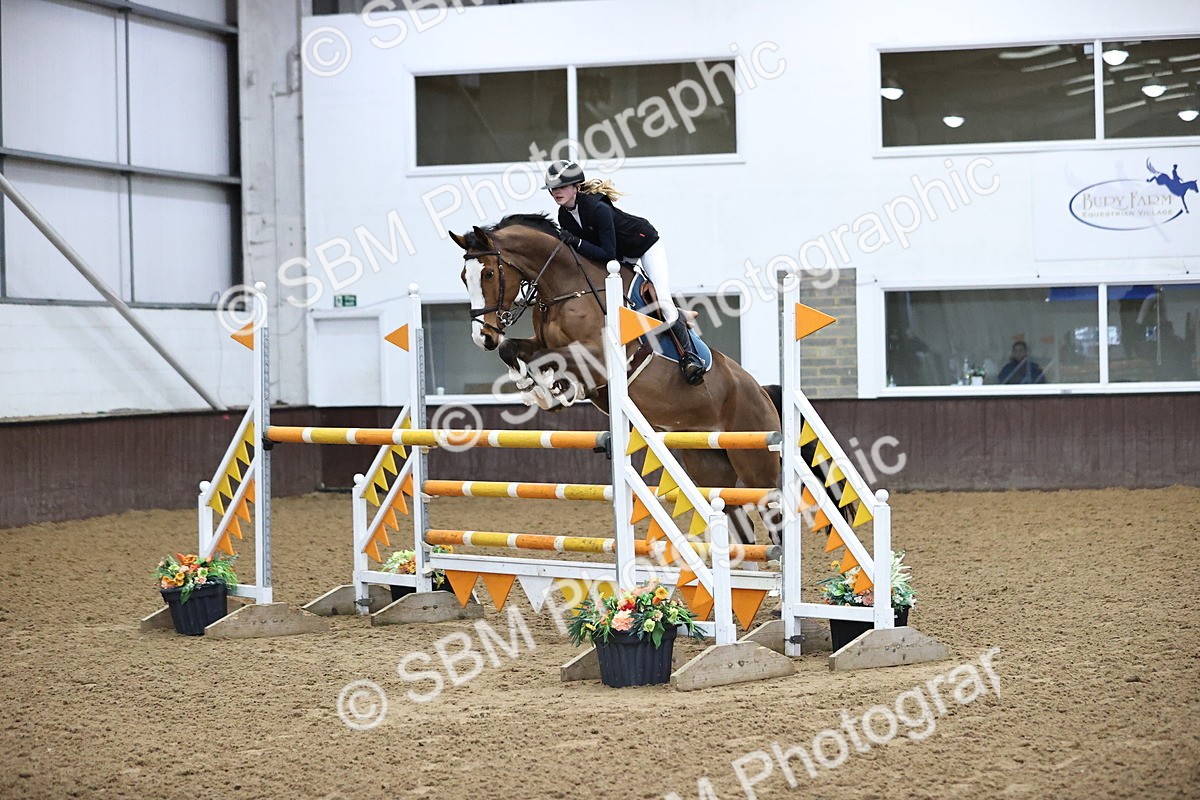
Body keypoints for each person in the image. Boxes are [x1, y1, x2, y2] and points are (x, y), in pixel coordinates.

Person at [541, 159, 705, 385]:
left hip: (645, 245)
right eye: (553, 189)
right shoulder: (564, 215)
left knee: (663, 303)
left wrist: (577, 243)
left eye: (561, 187)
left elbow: (607, 253)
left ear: (577, 187)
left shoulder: (598, 208)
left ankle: (690, 357)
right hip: (619, 257)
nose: (556, 192)